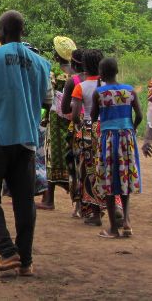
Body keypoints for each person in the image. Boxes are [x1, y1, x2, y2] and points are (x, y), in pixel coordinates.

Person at [0, 11, 52, 276]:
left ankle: (8, 253)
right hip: (27, 137)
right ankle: (26, 262)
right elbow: (47, 102)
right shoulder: (41, 63)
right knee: (24, 200)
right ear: (22, 30)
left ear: (1, 31)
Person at [90, 57, 143, 238]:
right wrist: (132, 128)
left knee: (109, 181)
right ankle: (126, 222)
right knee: (125, 178)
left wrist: (99, 88)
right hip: (127, 137)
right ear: (117, 71)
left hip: (108, 139)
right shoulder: (129, 90)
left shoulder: (99, 93)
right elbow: (139, 115)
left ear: (101, 74)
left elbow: (93, 117)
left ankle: (113, 228)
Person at [39, 36, 77, 210]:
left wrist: (45, 116)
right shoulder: (77, 74)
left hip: (55, 118)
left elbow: (48, 96)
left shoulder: (54, 72)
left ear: (57, 55)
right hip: (73, 118)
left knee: (52, 156)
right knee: (73, 155)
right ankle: (78, 201)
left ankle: (49, 199)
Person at [71, 49, 106, 225]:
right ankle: (116, 207)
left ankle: (95, 213)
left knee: (89, 171)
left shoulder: (81, 87)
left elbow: (75, 115)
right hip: (106, 129)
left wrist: (80, 125)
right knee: (106, 168)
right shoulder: (107, 85)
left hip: (88, 130)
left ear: (84, 66)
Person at [61, 48, 86, 218]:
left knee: (75, 167)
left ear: (74, 64)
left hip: (77, 126)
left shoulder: (73, 81)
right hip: (97, 126)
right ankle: (92, 205)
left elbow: (64, 108)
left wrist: (75, 107)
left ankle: (77, 206)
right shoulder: (100, 80)